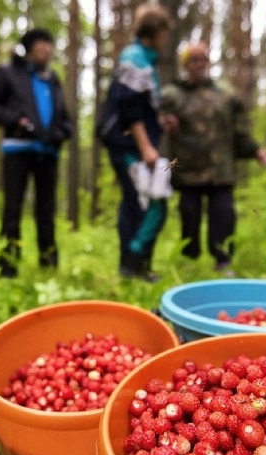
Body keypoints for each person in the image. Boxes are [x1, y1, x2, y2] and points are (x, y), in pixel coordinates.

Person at [159, 42, 266, 275]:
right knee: (189, 216)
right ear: (186, 65)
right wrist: (164, 124)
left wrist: (256, 150)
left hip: (221, 170)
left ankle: (223, 262)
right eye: (194, 60)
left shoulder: (226, 94)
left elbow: (239, 130)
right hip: (187, 170)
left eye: (203, 59)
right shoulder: (172, 95)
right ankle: (188, 262)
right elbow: (156, 119)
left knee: (223, 216)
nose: (199, 64)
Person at [0, 28, 74, 278]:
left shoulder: (53, 80)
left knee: (47, 210)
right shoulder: (9, 73)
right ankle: (8, 266)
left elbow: (65, 118)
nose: (46, 49)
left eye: (49, 44)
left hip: (48, 153)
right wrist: (16, 121)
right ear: (30, 48)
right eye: (41, 44)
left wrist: (62, 132)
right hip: (17, 150)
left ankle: (49, 263)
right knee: (13, 208)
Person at [103, 4, 172, 282]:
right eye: (164, 33)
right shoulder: (134, 57)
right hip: (129, 147)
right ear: (156, 31)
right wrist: (145, 146)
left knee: (137, 202)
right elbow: (128, 106)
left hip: (134, 145)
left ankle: (136, 266)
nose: (166, 39)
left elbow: (140, 106)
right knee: (150, 204)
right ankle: (133, 265)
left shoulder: (144, 59)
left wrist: (160, 124)